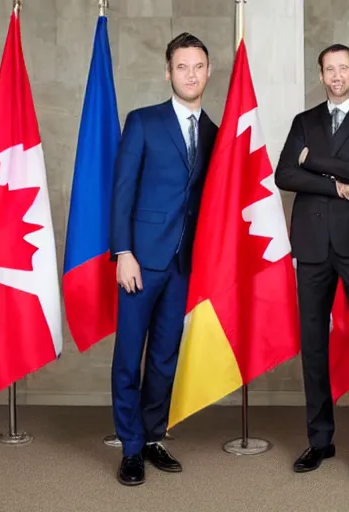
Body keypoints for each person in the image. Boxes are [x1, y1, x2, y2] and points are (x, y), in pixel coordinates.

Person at [275, 43, 349, 481]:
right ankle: (319, 440)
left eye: (344, 68)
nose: (337, 75)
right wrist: (336, 183)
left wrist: (319, 164)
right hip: (311, 246)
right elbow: (284, 173)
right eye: (330, 69)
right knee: (313, 346)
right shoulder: (303, 121)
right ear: (321, 75)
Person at [109, 32, 218, 486]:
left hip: (183, 264)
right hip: (141, 259)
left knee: (164, 359)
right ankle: (131, 448)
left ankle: (154, 436)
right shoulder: (143, 121)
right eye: (181, 67)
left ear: (208, 72)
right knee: (129, 356)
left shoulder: (215, 132)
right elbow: (122, 191)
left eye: (197, 67)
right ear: (167, 71)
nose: (190, 74)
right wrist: (123, 251)